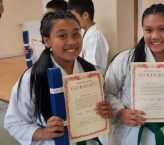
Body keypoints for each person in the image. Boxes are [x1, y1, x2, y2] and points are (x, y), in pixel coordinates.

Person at [4, 11, 112, 145]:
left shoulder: (92, 72)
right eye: (62, 36)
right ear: (47, 41)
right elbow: (13, 123)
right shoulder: (33, 78)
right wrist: (44, 133)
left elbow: (102, 110)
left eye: (76, 34)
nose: (72, 41)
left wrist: (105, 110)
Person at [104, 4, 164, 145]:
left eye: (162, 29)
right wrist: (121, 112)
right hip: (130, 134)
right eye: (148, 30)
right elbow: (107, 93)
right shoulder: (125, 59)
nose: (155, 36)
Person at [67, 0, 109, 74]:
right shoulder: (85, 34)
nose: (71, 21)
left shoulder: (95, 36)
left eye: (73, 17)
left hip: (91, 81)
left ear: (85, 15)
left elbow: (92, 69)